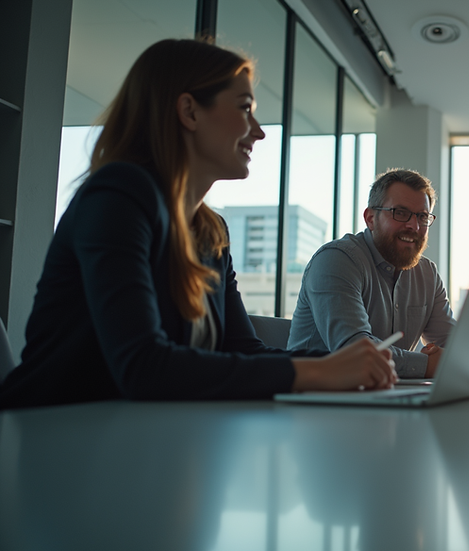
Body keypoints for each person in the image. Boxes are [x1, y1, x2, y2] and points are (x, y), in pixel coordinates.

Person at [0, 39, 396, 410]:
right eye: (244, 108)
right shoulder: (119, 194)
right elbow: (144, 367)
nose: (258, 131)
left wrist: (346, 361)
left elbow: (243, 353)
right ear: (189, 111)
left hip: (138, 443)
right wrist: (321, 372)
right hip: (46, 443)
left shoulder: (210, 232)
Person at [287, 169, 469, 378]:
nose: (414, 226)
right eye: (400, 213)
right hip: (316, 405)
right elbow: (355, 347)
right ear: (370, 218)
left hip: (386, 399)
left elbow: (449, 341)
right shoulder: (336, 260)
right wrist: (428, 364)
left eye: (422, 217)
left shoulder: (427, 273)